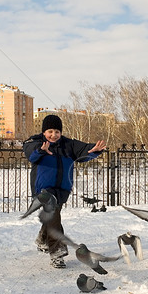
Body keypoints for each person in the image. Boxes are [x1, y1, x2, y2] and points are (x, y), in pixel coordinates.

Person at [23, 114, 106, 268]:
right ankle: (57, 251)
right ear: (43, 132)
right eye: (50, 132)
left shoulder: (68, 145)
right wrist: (41, 150)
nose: (54, 135)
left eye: (57, 132)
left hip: (62, 188)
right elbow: (31, 154)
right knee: (53, 215)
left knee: (52, 217)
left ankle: (42, 239)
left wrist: (93, 150)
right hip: (44, 190)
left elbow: (84, 150)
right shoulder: (35, 143)